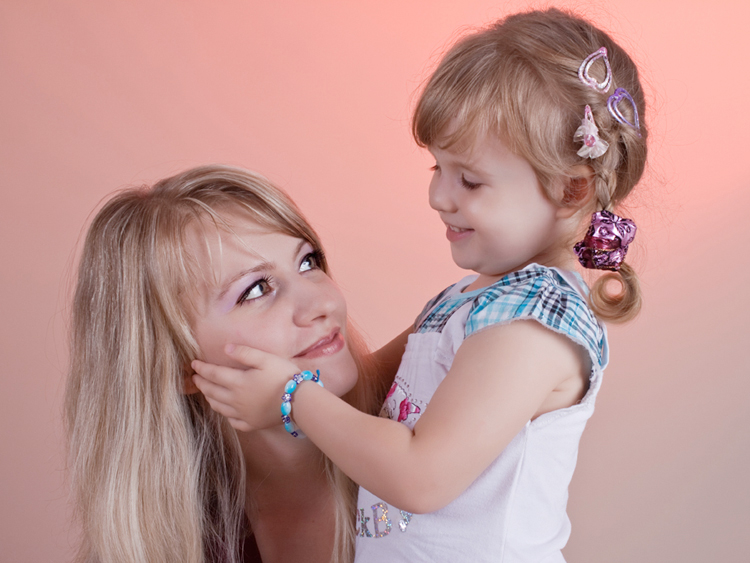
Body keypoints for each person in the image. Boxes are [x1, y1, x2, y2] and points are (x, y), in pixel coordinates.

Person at [192, 8, 649, 562]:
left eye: (469, 180)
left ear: (571, 190)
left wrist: (290, 397)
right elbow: (366, 387)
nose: (438, 197)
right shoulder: (468, 303)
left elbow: (421, 477)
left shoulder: (532, 326)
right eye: (437, 169)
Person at [65, 165, 390, 563]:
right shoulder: (184, 545)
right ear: (181, 366)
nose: (322, 303)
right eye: (256, 290)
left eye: (308, 262)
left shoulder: (435, 431)